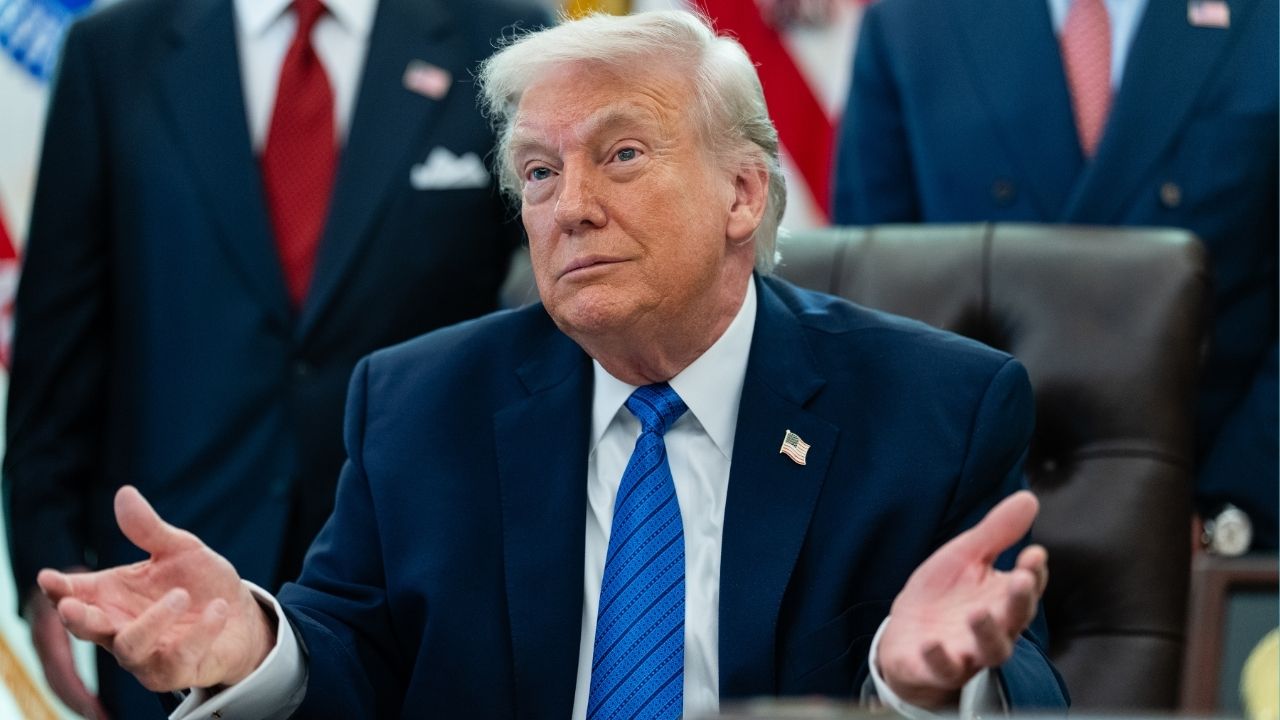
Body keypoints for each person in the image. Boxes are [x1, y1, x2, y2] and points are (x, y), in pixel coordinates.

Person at [35, 10, 1069, 719]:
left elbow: (1019, 675)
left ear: (743, 195)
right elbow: (351, 650)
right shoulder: (419, 405)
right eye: (537, 170)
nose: (568, 204)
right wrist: (259, 650)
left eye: (620, 155)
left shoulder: (933, 410)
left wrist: (916, 690)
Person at [2, 0, 544, 716]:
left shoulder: (504, 40)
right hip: (166, 599)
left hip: (424, 594)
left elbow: (551, 336)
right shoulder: (113, 53)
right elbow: (58, 340)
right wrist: (48, 566)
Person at [832, 0, 1278, 551]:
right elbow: (864, 305)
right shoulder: (911, 21)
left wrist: (1224, 514)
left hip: (1202, 542)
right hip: (956, 540)